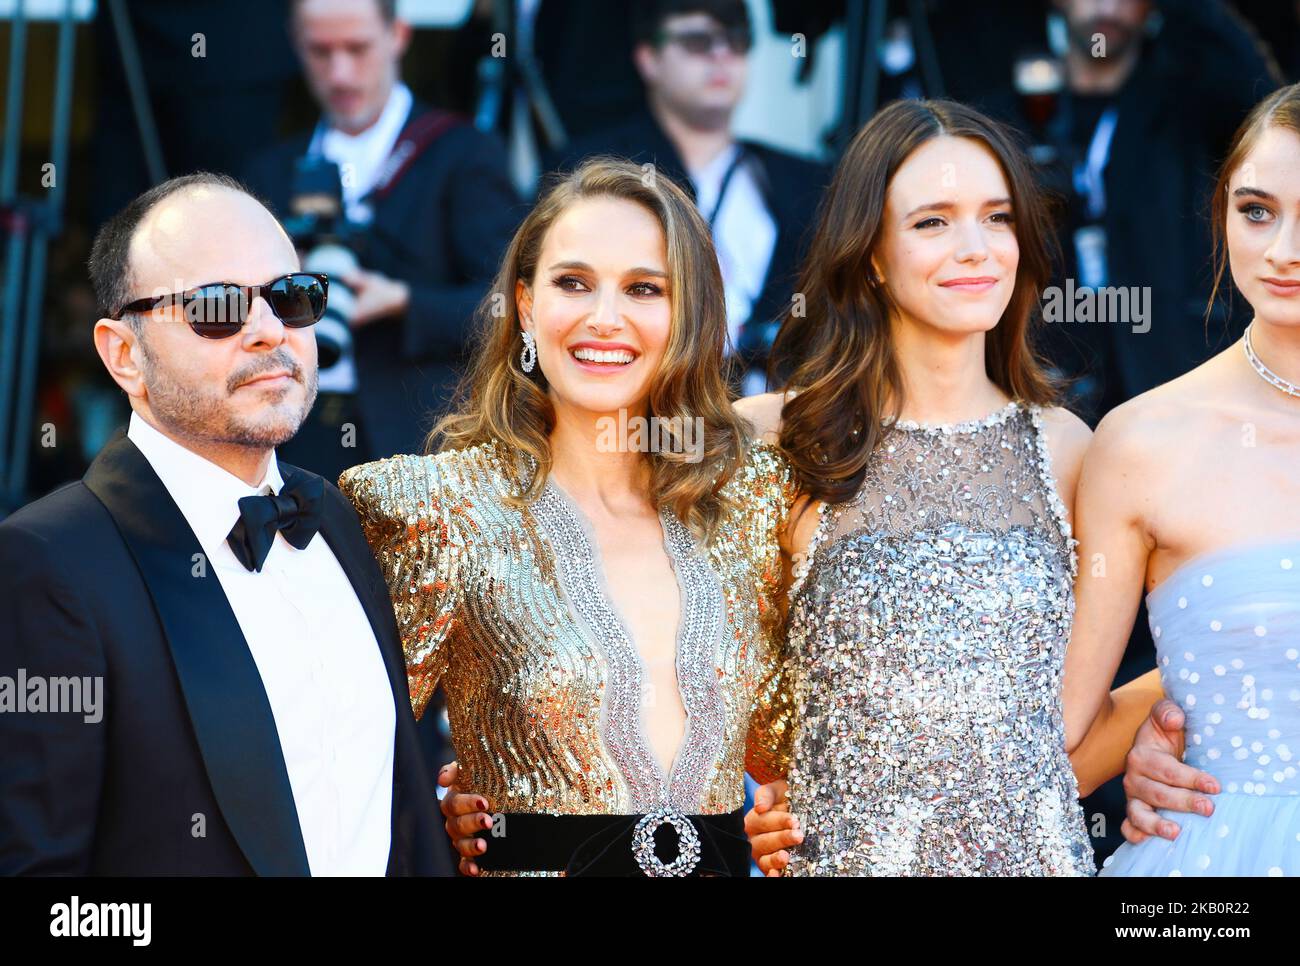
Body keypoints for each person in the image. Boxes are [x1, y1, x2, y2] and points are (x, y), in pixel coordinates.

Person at [339, 157, 798, 877]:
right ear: (524, 307)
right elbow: (349, 768)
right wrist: (438, 809)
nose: (603, 318)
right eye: (573, 283)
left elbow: (792, 752)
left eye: (644, 289)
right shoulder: (441, 508)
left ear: (690, 315)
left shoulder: (748, 502)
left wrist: (782, 822)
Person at [0, 173, 446, 876]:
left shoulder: (335, 516)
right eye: (215, 308)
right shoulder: (49, 564)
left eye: (291, 297)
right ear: (124, 354)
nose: (268, 331)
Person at [1064, 82, 1300, 877]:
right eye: (1257, 210)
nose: (1282, 250)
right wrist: (1146, 740)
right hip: (1210, 866)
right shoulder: (1143, 442)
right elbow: (1065, 743)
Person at [243, 0, 521, 480]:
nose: (341, 73)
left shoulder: (462, 154)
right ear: (295, 45)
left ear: (399, 35)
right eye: (320, 52)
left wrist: (403, 304)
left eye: (357, 48)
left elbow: (513, 305)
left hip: (418, 439)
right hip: (287, 433)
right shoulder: (270, 171)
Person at [546, 0, 830, 394]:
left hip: (776, 419)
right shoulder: (592, 169)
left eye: (737, 40)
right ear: (649, 59)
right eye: (697, 41)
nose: (721, 55)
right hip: (644, 413)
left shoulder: (802, 179)